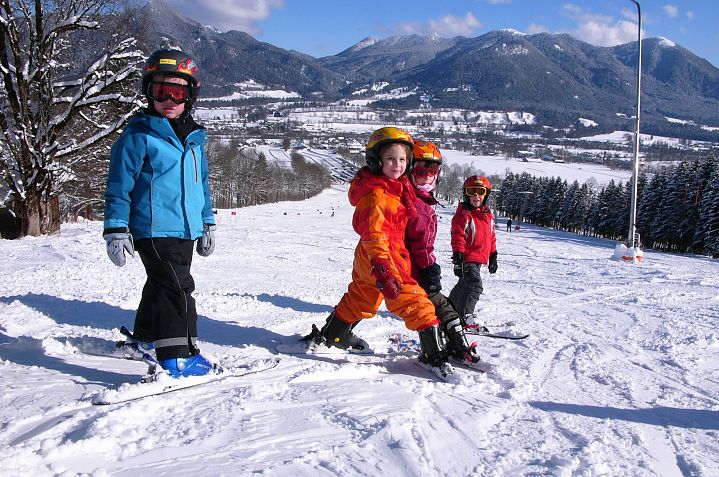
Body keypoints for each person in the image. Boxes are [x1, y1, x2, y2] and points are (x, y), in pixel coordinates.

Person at [103, 48, 217, 379]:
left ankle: (145, 338)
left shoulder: (195, 140)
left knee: (160, 284)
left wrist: (207, 223)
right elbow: (118, 186)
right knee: (177, 288)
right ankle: (177, 356)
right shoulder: (138, 136)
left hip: (185, 229)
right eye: (160, 91)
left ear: (190, 95)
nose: (169, 99)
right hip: (152, 228)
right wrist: (115, 229)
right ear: (149, 92)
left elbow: (202, 186)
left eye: (178, 92)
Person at [304, 127, 450, 370]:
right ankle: (432, 355)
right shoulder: (378, 195)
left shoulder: (393, 187)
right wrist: (382, 267)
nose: (397, 165)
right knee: (415, 301)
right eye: (390, 159)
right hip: (382, 257)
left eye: (403, 159)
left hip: (369, 257)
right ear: (377, 161)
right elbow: (375, 235)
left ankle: (334, 335)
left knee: (363, 296)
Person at [405, 140, 480, 363]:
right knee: (433, 305)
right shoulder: (416, 205)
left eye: (433, 171)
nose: (427, 176)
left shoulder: (419, 200)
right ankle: (435, 351)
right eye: (420, 171)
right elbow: (419, 243)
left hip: (413, 266)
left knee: (440, 303)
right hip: (411, 269)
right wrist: (429, 268)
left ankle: (457, 345)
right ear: (410, 170)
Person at [448, 176, 498, 328]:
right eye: (472, 192)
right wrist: (458, 256)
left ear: (486, 194)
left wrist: (493, 255)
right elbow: (457, 236)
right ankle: (464, 316)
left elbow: (491, 236)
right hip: (467, 258)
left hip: (479, 259)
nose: (476, 196)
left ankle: (447, 310)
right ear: (466, 194)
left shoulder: (488, 216)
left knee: (464, 284)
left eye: (480, 191)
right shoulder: (464, 215)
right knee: (474, 286)